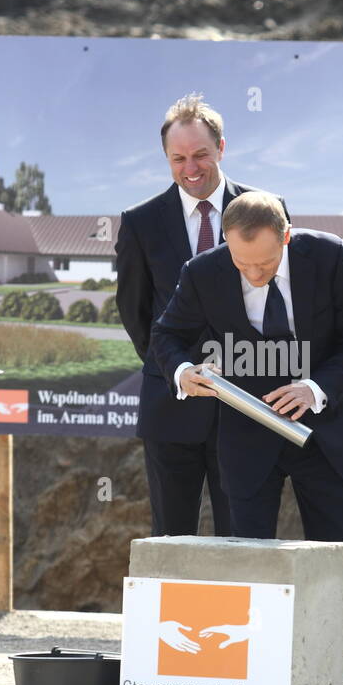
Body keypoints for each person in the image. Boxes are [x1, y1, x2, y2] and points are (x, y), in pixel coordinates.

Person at [149, 192, 343, 685]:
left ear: (287, 236)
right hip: (248, 441)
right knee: (249, 568)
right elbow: (167, 335)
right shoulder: (203, 271)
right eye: (241, 265)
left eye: (265, 264)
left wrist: (316, 386)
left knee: (338, 569)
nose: (253, 275)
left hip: (324, 437)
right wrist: (183, 371)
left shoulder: (330, 257)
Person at [115, 94, 288, 539]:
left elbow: (284, 302)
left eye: (200, 155)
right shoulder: (141, 222)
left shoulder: (267, 209)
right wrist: (177, 369)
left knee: (246, 541)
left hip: (250, 407)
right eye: (178, 158)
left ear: (222, 149)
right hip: (173, 410)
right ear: (167, 158)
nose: (190, 167)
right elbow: (136, 315)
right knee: (171, 540)